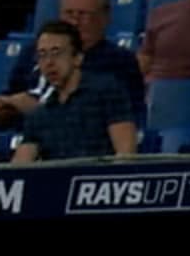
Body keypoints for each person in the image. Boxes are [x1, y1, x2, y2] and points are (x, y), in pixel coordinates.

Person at [10, 21, 138, 163]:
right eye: (42, 55)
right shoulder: (41, 113)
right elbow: (19, 168)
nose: (49, 62)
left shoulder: (107, 92)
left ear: (77, 58)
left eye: (56, 53)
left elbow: (126, 155)